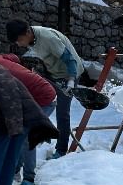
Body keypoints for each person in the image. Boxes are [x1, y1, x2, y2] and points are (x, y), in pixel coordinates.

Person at [5, 19, 83, 159]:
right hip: (53, 72)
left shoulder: (48, 38)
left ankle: (61, 150)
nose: (19, 44)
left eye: (20, 40)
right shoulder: (31, 37)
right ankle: (42, 133)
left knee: (62, 113)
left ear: (27, 32)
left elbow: (70, 59)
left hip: (69, 73)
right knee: (37, 102)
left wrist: (71, 80)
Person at [0, 54, 57, 185]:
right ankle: (15, 169)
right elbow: (15, 58)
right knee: (17, 132)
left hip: (44, 99)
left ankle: (29, 178)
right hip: (31, 94)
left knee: (27, 138)